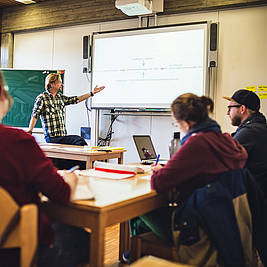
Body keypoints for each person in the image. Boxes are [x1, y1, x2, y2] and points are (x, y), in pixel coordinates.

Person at [127, 93, 247, 260]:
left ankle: (139, 253)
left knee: (137, 208)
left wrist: (160, 171)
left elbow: (158, 183)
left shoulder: (197, 143)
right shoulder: (226, 139)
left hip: (198, 225)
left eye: (176, 123)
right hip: (228, 220)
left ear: (185, 123)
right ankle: (139, 253)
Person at [0, 71, 90, 267]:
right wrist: (71, 179)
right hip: (18, 252)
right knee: (83, 240)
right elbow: (61, 193)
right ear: (2, 96)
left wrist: (91, 93)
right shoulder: (18, 142)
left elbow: (74, 99)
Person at [28, 73, 105, 145]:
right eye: (59, 82)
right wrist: (30, 131)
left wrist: (92, 93)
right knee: (79, 141)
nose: (62, 84)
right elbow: (35, 115)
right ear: (52, 84)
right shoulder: (42, 98)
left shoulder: (60, 97)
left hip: (62, 136)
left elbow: (76, 99)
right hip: (52, 138)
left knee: (79, 142)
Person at [223, 89, 267, 197]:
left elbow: (223, 159)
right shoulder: (257, 127)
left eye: (230, 108)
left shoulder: (250, 131)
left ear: (242, 108)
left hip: (254, 200)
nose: (227, 112)